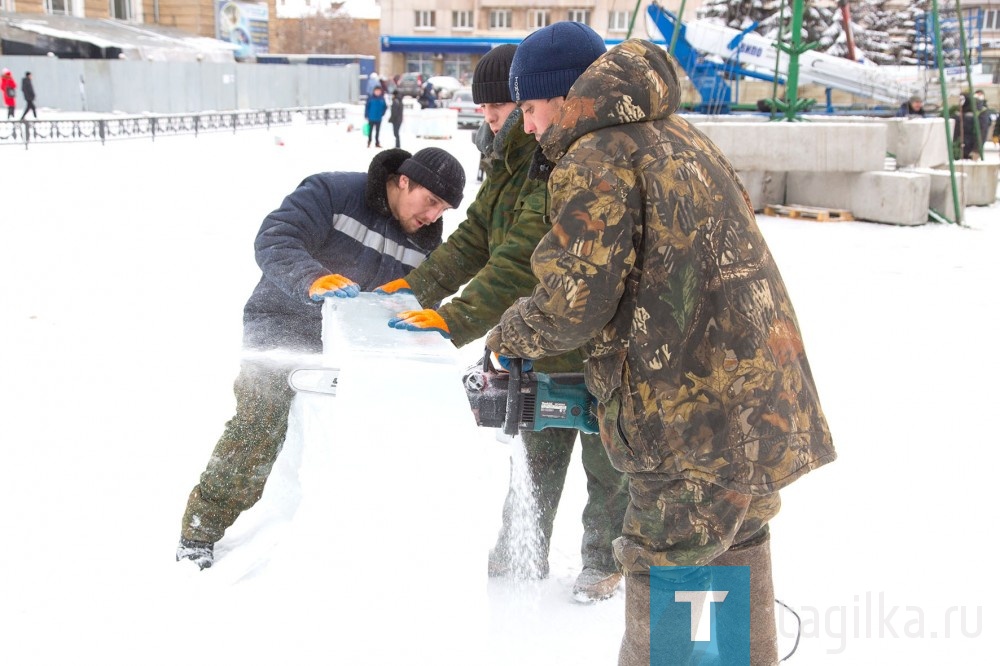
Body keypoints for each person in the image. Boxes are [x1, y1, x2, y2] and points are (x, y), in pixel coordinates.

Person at [487, 22, 836, 665]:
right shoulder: (675, 134)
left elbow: (572, 300)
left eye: (530, 110)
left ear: (565, 97)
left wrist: (509, 336)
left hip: (686, 411)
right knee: (735, 535)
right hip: (755, 394)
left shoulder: (597, 155)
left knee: (670, 553)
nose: (528, 128)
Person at [376, 44, 629, 603]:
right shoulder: (509, 163)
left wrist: (450, 321)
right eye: (485, 109)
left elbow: (517, 263)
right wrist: (415, 292)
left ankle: (603, 561)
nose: (487, 118)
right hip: (539, 339)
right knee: (536, 453)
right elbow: (473, 240)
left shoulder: (555, 163)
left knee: (608, 464)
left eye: (496, 108)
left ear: (525, 104)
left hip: (593, 338)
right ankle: (522, 551)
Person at [177, 147, 467, 570]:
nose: (435, 216)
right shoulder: (333, 191)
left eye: (444, 209)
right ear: (405, 180)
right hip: (283, 323)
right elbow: (275, 238)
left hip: (354, 344)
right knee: (261, 421)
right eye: (432, 202)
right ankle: (200, 531)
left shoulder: (423, 238)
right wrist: (312, 278)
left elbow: (416, 296)